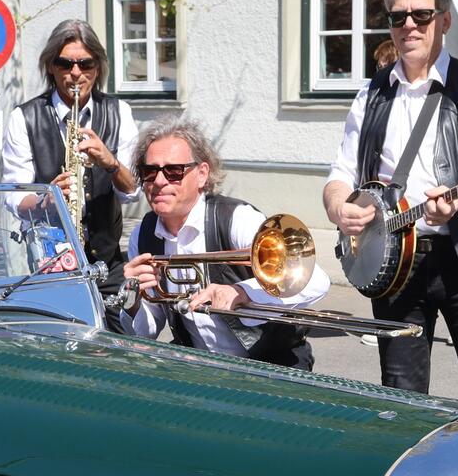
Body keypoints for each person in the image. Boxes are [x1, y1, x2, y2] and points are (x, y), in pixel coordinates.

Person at [323, 0, 458, 401]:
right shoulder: (369, 94)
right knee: (401, 394)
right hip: (392, 265)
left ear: (445, 20)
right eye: (398, 17)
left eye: (422, 15)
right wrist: (340, 208)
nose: (409, 25)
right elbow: (340, 175)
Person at [120, 116, 328, 369]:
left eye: (174, 171)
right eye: (149, 172)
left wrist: (243, 292)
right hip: (200, 365)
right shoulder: (143, 235)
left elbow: (316, 280)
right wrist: (132, 299)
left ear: (201, 174)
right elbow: (144, 335)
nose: (159, 181)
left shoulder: (235, 219)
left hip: (273, 362)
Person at [1, 19, 138, 275]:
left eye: (86, 63)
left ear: (97, 68)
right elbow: (13, 196)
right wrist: (45, 201)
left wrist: (111, 164)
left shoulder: (120, 112)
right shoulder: (24, 117)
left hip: (106, 264)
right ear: (51, 67)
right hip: (49, 262)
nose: (76, 73)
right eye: (65, 64)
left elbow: (132, 192)